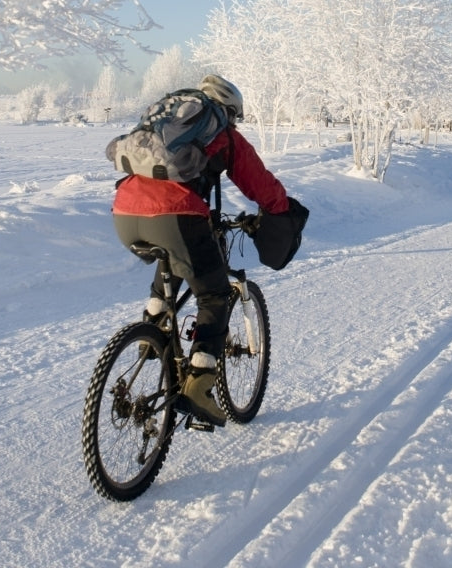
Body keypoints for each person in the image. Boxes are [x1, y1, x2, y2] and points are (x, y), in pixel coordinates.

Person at [109, 74, 306, 426]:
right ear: (228, 109)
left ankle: (151, 335)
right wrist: (280, 210)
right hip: (175, 215)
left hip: (124, 211)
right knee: (214, 293)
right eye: (235, 116)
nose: (233, 122)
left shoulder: (166, 123)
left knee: (176, 258)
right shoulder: (221, 131)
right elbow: (257, 180)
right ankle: (199, 385)